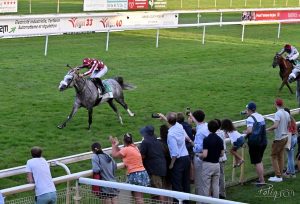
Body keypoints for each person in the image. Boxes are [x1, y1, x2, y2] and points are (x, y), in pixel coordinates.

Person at [158, 112, 191, 203]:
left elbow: (175, 153)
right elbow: (173, 122)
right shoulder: (179, 126)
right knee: (186, 183)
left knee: (177, 186)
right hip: (186, 158)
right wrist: (165, 117)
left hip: (178, 161)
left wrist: (172, 164)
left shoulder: (171, 134)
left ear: (169, 121)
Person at [110, 133, 150, 204]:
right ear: (132, 140)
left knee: (138, 198)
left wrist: (113, 144)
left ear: (124, 141)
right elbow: (122, 152)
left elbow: (114, 155)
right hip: (142, 173)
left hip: (135, 174)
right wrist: (117, 146)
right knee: (140, 197)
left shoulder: (126, 149)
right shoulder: (135, 147)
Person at [139, 125, 167, 202]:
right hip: (162, 168)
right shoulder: (157, 141)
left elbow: (142, 156)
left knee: (159, 191)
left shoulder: (145, 142)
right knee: (162, 190)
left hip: (155, 170)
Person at [243, 102, 267, 186]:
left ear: (249, 110)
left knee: (257, 162)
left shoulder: (250, 119)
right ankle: (261, 179)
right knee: (259, 161)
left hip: (255, 143)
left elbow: (249, 131)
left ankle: (262, 181)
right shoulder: (260, 116)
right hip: (263, 141)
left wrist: (245, 132)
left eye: (247, 109)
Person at [266, 98, 290, 182]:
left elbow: (276, 125)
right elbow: (289, 124)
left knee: (273, 156)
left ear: (276, 104)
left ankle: (278, 176)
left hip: (279, 138)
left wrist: (268, 129)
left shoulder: (277, 113)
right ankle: (281, 174)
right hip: (286, 137)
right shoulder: (286, 113)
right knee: (280, 156)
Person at [199, 120, 224, 198]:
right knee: (215, 186)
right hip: (217, 165)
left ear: (208, 128)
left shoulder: (206, 139)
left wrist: (199, 155)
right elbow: (222, 153)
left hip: (207, 165)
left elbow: (205, 155)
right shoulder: (220, 139)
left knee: (206, 186)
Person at [188, 110, 210, 197]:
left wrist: (190, 141)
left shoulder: (200, 132)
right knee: (206, 180)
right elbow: (198, 123)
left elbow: (198, 148)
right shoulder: (206, 125)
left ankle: (200, 201)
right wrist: (191, 116)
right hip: (208, 156)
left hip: (200, 157)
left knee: (199, 182)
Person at [176, 112, 195, 182]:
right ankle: (192, 177)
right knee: (191, 161)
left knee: (189, 161)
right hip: (191, 144)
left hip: (186, 146)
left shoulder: (179, 127)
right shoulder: (187, 125)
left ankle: (191, 177)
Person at [282, 108, 297, 178]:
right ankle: (288, 172)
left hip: (290, 139)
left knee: (290, 157)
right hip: (294, 138)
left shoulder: (287, 121)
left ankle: (293, 173)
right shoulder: (292, 118)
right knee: (290, 156)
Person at [215, 119, 227, 199]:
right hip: (222, 157)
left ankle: (218, 193)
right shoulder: (222, 132)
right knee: (221, 176)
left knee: (217, 177)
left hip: (218, 158)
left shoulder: (216, 134)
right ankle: (222, 193)